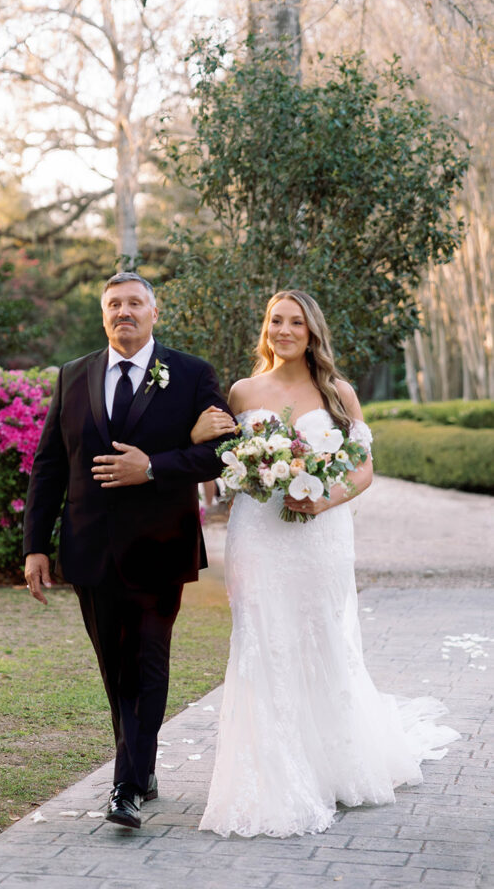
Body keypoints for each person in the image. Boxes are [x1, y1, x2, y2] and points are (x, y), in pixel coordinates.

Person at [189, 289, 459, 838]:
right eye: (275, 321)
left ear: (312, 331)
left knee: (320, 636)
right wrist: (200, 443)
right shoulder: (241, 391)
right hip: (258, 533)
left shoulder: (337, 392)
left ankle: (329, 762)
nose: (283, 330)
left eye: (295, 322)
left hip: (321, 532)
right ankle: (272, 773)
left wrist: (321, 498)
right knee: (262, 639)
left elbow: (363, 470)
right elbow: (213, 466)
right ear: (265, 328)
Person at [23, 272, 231, 829]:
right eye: (114, 304)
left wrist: (155, 467)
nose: (124, 312)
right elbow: (48, 465)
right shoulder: (73, 375)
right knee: (114, 668)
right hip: (90, 549)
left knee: (147, 663)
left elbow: (223, 454)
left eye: (135, 303)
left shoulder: (191, 375)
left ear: (154, 312)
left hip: (160, 549)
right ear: (104, 314)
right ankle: (142, 765)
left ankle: (127, 787)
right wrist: (34, 547)